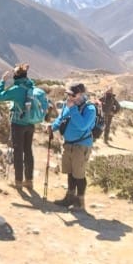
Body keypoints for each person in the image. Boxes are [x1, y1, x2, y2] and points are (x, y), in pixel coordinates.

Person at [47, 82, 96, 211]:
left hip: (81, 145)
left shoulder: (90, 109)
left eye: (72, 95)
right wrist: (53, 126)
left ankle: (80, 202)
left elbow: (83, 126)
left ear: (81, 94)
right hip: (68, 144)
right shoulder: (67, 104)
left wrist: (73, 109)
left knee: (79, 174)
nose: (69, 97)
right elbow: (61, 118)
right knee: (70, 172)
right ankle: (69, 198)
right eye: (68, 94)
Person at [0, 63, 36, 189]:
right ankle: (29, 180)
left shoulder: (16, 89)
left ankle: (18, 181)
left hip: (18, 123)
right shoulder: (31, 86)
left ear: (15, 76)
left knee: (18, 152)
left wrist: (2, 81)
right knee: (28, 151)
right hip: (30, 123)